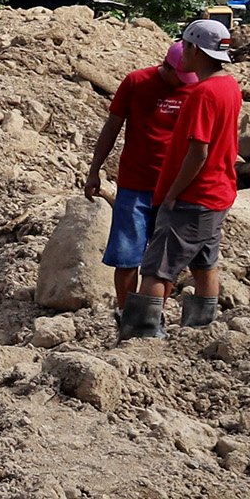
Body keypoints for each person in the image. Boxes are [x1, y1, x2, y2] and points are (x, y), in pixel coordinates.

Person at [127, 18, 244, 339]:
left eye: (186, 46)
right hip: (218, 193)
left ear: (194, 49)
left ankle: (141, 335)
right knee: (204, 263)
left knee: (157, 269)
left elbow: (198, 152)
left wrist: (172, 193)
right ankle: (200, 327)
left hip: (194, 195)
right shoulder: (229, 86)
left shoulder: (202, 94)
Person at [82, 41, 190, 335]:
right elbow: (112, 127)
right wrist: (94, 171)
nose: (185, 81)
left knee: (164, 263)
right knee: (127, 257)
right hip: (135, 186)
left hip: (174, 189)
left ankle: (153, 316)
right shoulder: (137, 82)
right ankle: (127, 314)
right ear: (166, 66)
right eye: (181, 75)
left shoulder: (196, 88)